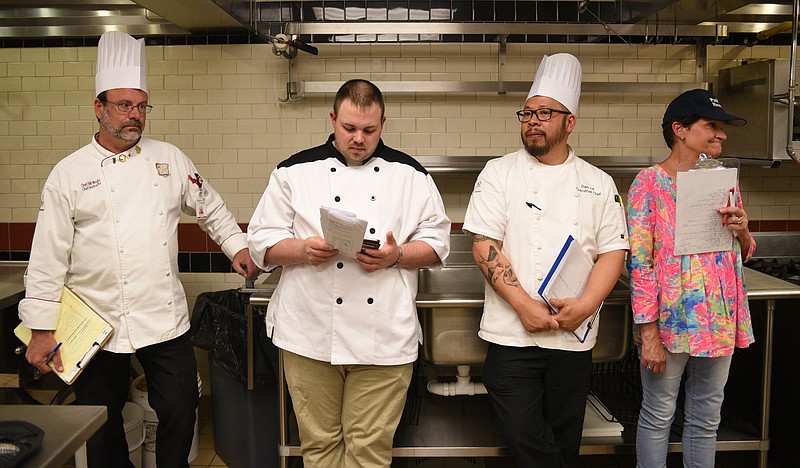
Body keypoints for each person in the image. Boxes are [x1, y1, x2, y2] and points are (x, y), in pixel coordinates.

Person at [18, 31, 258, 468]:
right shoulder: (68, 175)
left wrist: (236, 245)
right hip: (98, 322)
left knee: (181, 409)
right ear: (99, 107)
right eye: (124, 105)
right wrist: (39, 328)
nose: (135, 116)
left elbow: (211, 207)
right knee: (101, 420)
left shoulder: (169, 159)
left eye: (141, 105)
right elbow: (47, 257)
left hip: (162, 317)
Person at [247, 79, 450, 468]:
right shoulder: (294, 171)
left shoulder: (411, 175)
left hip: (384, 338)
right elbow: (261, 242)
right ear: (333, 119)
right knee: (319, 448)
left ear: (383, 124)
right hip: (309, 333)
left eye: (369, 130)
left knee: (369, 452)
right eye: (349, 128)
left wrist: (397, 256)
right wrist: (303, 249)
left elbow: (438, 242)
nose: (359, 139)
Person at [463, 53, 629, 467]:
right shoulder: (498, 173)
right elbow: (484, 244)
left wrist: (586, 306)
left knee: (564, 438)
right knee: (524, 438)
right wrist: (525, 306)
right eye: (527, 112)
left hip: (572, 339)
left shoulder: (597, 182)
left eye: (545, 113)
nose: (532, 120)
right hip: (512, 336)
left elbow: (613, 251)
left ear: (569, 122)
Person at [627, 88, 755, 467]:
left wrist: (744, 231)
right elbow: (640, 264)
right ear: (680, 129)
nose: (722, 134)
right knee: (658, 414)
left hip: (719, 316)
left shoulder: (722, 180)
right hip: (671, 321)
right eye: (711, 126)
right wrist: (647, 332)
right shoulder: (647, 184)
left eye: (722, 127)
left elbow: (741, 254)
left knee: (706, 418)